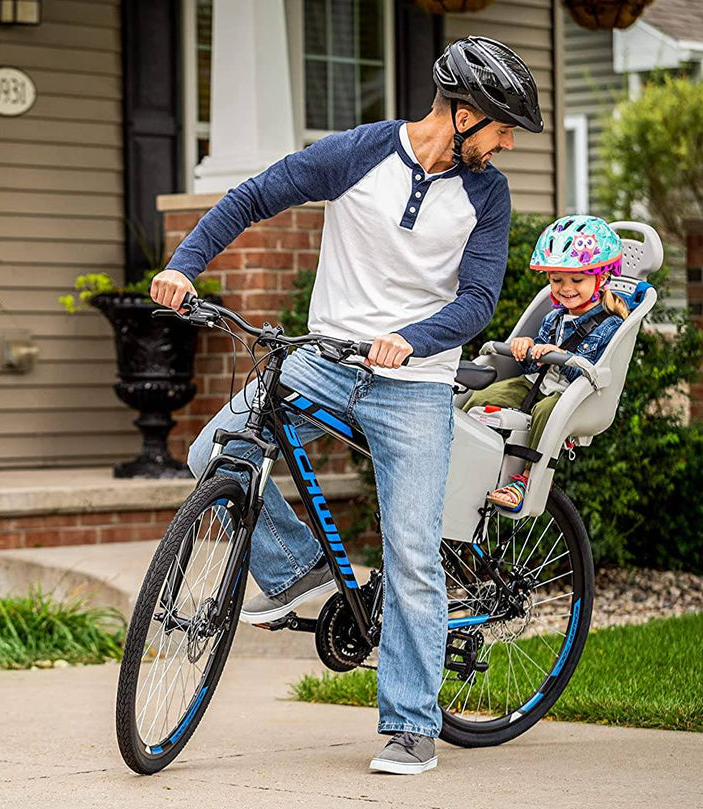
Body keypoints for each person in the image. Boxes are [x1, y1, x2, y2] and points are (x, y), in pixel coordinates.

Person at [149, 37, 543, 775]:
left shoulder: (487, 193)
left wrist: (410, 339)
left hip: (415, 383)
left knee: (413, 551)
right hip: (325, 361)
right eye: (500, 125)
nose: (508, 141)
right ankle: (299, 572)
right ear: (461, 113)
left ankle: (410, 726)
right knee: (216, 450)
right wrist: (183, 265)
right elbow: (254, 195)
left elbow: (479, 301)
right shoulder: (361, 151)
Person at [464, 215, 629, 511]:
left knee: (544, 412)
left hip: (570, 395)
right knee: (480, 398)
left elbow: (590, 372)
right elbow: (530, 370)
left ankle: (525, 480)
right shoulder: (554, 317)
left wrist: (558, 355)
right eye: (556, 280)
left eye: (576, 280)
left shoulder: (609, 324)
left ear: (601, 278)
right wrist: (526, 349)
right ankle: (463, 463)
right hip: (536, 384)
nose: (565, 288)